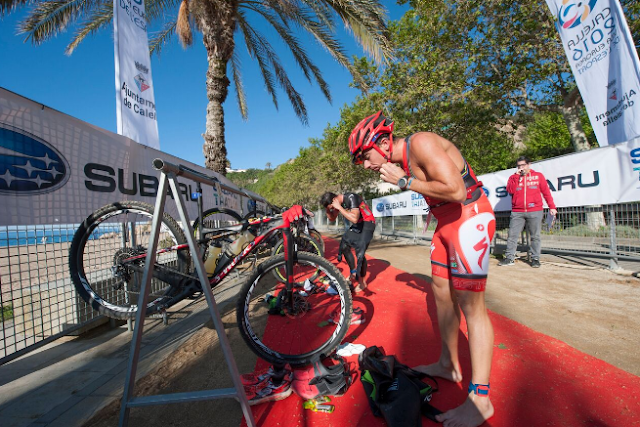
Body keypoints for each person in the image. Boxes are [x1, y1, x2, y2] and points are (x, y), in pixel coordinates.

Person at [348, 111, 496, 427]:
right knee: (442, 295)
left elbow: (456, 190)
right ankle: (448, 364)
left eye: (364, 155)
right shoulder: (407, 158)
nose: (365, 164)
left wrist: (405, 181)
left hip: (469, 216)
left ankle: (481, 399)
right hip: (446, 223)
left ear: (384, 141)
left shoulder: (423, 142)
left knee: (472, 308)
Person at [498, 156, 557, 268]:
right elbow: (510, 191)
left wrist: (552, 207)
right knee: (512, 235)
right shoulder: (513, 177)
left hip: (535, 210)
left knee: (535, 236)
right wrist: (517, 177)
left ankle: (535, 258)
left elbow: (546, 192)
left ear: (529, 164)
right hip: (517, 211)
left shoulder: (538, 176)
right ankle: (509, 257)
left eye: (523, 165)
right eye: (519, 166)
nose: (521, 168)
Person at [320, 191, 375, 292]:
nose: (333, 210)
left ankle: (362, 283)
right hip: (358, 225)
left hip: (367, 223)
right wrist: (328, 209)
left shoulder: (351, 197)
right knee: (344, 246)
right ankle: (353, 272)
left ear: (335, 200)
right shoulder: (337, 203)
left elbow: (354, 219)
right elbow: (332, 218)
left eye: (331, 207)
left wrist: (339, 208)